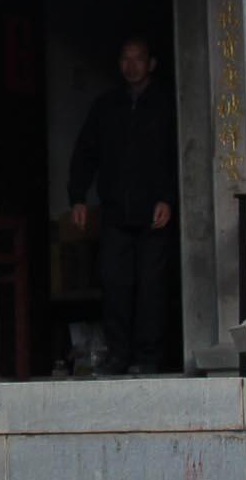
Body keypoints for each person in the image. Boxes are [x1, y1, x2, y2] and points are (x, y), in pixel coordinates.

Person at [68, 36, 177, 376]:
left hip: (154, 213)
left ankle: (149, 357)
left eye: (138, 58)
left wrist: (168, 198)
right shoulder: (106, 106)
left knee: (151, 288)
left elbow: (178, 154)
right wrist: (77, 197)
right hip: (115, 211)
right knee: (115, 285)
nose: (132, 66)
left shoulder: (166, 103)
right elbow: (85, 153)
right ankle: (118, 355)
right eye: (126, 59)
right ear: (119, 64)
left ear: (151, 64)